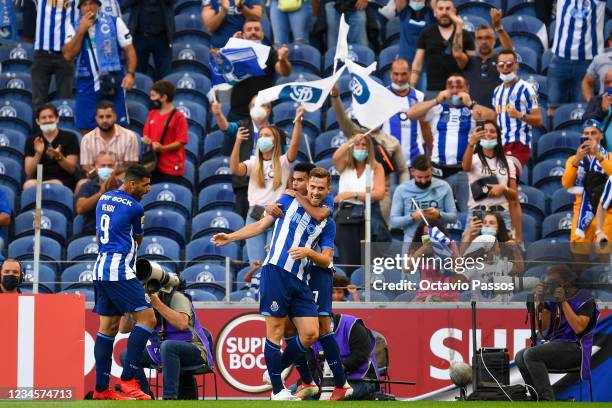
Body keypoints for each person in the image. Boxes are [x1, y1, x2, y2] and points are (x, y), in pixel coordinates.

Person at [212, 168, 353, 401]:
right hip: (276, 271)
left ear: (328, 191)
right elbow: (260, 226)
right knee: (276, 332)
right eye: (313, 187)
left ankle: (278, 370)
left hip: (300, 278)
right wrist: (231, 236)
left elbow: (327, 259)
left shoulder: (327, 221)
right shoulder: (287, 200)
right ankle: (278, 390)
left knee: (311, 333)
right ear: (307, 185)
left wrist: (308, 252)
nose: (316, 192)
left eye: (321, 188)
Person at [265, 166, 350, 400]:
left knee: (321, 328)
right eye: (297, 182)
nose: (298, 185)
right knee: (293, 327)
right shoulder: (292, 200)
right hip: (297, 270)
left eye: (302, 181)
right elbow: (270, 221)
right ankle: (306, 381)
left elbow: (321, 216)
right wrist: (269, 210)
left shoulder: (323, 204)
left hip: (318, 270)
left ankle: (340, 384)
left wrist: (306, 251)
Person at [91, 165, 155, 400]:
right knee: (148, 319)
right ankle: (128, 379)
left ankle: (100, 390)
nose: (148, 189)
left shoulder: (104, 198)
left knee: (107, 328)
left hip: (99, 268)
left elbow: (100, 235)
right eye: (145, 185)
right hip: (119, 269)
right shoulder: (136, 208)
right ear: (131, 184)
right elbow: (137, 238)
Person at [229, 107, 303, 265]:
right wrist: (237, 142)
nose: (263, 138)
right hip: (255, 214)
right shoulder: (253, 163)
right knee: (256, 263)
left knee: (273, 261)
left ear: (275, 140)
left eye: (267, 135)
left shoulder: (283, 162)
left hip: (277, 213)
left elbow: (294, 148)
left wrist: (298, 123)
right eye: (261, 135)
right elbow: (235, 169)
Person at [119, 280, 215, 400]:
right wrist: (129, 306)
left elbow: (182, 324)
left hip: (195, 349)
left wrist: (157, 304)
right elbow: (123, 329)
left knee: (168, 346)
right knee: (127, 354)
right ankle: (145, 397)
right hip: (161, 350)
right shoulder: (142, 303)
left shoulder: (177, 297)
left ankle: (169, 398)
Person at [515, 265, 599, 401]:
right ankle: (536, 398)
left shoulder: (585, 298)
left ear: (566, 283)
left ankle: (547, 399)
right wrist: (540, 302)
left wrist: (563, 301)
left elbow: (579, 328)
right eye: (548, 283)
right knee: (520, 357)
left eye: (554, 283)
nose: (551, 287)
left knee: (531, 354)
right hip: (557, 346)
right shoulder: (551, 298)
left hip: (577, 348)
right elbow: (543, 327)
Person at [330, 84, 410, 221]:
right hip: (354, 196)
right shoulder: (356, 134)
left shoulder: (392, 142)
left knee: (377, 234)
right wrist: (335, 97)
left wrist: (402, 193)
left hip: (381, 195)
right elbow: (342, 119)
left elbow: (402, 170)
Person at [62, 0, 136, 134]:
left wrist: (130, 74)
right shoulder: (74, 27)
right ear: (80, 9)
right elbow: (68, 55)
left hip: (112, 81)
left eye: (92, 3)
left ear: (99, 5)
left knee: (118, 127)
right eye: (84, 5)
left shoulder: (114, 22)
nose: (89, 7)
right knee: (86, 127)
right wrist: (80, 31)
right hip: (87, 83)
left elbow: (129, 50)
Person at [406, 73, 496, 178]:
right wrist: (436, 100)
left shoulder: (474, 109)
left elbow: (493, 116)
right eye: (451, 87)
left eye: (459, 86)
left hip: (464, 170)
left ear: (467, 89)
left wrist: (470, 104)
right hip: (438, 169)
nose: (455, 91)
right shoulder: (437, 109)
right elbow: (411, 114)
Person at [332, 134, 389, 272]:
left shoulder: (376, 167)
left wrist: (352, 195)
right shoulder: (345, 165)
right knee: (348, 260)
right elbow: (336, 157)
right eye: (357, 145)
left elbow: (379, 193)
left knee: (368, 259)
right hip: (346, 215)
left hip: (368, 213)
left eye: (364, 145)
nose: (360, 148)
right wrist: (351, 141)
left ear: (369, 148)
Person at [212, 96, 275, 219]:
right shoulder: (243, 126)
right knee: (244, 222)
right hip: (244, 183)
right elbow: (226, 127)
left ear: (268, 109)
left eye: (260, 105)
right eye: (253, 105)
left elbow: (286, 157)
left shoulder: (276, 132)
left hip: (268, 185)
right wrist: (218, 114)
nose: (256, 108)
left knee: (264, 223)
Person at [462, 120, 522, 242]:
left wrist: (503, 188)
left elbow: (514, 196)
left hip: (501, 214)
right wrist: (470, 144)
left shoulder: (508, 163)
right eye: (485, 131)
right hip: (477, 213)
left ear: (498, 136)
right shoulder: (473, 159)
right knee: (468, 253)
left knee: (506, 255)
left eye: (492, 131)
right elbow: (466, 167)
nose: (488, 134)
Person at [547, 0, 606, 123]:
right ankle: (553, 139)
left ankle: (584, 139)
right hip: (560, 59)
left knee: (583, 109)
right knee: (553, 107)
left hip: (587, 62)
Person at [561, 120, 612, 259]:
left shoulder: (609, 156)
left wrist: (599, 156)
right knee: (579, 255)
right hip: (582, 209)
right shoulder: (573, 159)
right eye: (586, 133)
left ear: (601, 136)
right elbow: (566, 183)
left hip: (607, 209)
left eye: (593, 133)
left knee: (604, 252)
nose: (589, 136)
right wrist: (577, 159)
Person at [410, 0, 476, 99]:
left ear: (454, 11)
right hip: (433, 90)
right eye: (441, 9)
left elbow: (473, 66)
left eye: (448, 9)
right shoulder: (426, 34)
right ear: (435, 12)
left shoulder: (466, 34)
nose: (444, 12)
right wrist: (412, 86)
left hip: (459, 90)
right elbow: (417, 64)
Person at [492, 49, 543, 176]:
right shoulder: (497, 91)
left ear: (517, 65)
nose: (505, 68)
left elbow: (539, 120)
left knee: (508, 177)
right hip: (500, 145)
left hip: (518, 144)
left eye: (509, 64)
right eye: (501, 64)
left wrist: (520, 115)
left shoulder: (527, 89)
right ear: (497, 67)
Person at [229, 19, 291, 121]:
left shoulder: (270, 53)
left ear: (262, 34)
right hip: (238, 114)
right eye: (249, 30)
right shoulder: (235, 53)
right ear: (243, 35)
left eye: (257, 29)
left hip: (263, 112)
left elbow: (285, 72)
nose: (253, 32)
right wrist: (231, 46)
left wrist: (282, 59)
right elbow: (220, 69)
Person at [310, 313, 379, 400]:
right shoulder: (310, 333)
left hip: (360, 379)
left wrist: (337, 368)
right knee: (295, 392)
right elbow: (311, 365)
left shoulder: (352, 325)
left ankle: (367, 395)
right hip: (327, 380)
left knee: (337, 397)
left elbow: (361, 355)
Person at [390, 154, 457, 243]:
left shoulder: (443, 187)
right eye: (419, 177)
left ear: (432, 170)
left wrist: (439, 214)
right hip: (412, 241)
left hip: (438, 240)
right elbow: (394, 222)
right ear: (412, 171)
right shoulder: (402, 190)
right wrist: (412, 217)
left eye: (427, 177)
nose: (423, 181)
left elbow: (454, 217)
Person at [78, 100, 139, 193]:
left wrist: (113, 176)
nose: (105, 120)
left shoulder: (130, 136)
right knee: (81, 184)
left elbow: (131, 166)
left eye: (108, 116)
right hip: (96, 180)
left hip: (121, 178)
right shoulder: (87, 139)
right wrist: (102, 177)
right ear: (96, 118)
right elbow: (87, 169)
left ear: (115, 117)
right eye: (101, 117)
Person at [381, 59, 432, 167]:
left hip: (415, 162)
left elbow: (426, 128)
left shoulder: (419, 97)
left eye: (403, 74)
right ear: (391, 74)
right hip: (389, 163)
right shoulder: (382, 95)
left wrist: (432, 153)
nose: (399, 78)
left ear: (409, 74)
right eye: (396, 74)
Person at [461, 9, 513, 110]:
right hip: (471, 113)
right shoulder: (467, 61)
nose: (484, 41)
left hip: (497, 112)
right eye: (480, 38)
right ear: (475, 41)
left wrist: (498, 27)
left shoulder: (500, 60)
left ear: (494, 40)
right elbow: (456, 53)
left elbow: (509, 51)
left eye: (488, 38)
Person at [31, 0, 76, 114]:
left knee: (65, 101)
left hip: (65, 54)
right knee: (38, 102)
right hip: (42, 53)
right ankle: (38, 132)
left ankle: (65, 130)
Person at [460, 226, 524, 302]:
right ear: (490, 250)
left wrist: (515, 250)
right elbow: (459, 281)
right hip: (480, 308)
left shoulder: (501, 263)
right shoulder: (474, 266)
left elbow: (519, 268)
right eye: (497, 247)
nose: (499, 250)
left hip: (501, 307)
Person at [142, 80, 189, 185]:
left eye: (153, 96)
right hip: (153, 165)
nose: (151, 99)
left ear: (164, 97)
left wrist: (162, 148)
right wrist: (146, 140)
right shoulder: (152, 114)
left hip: (171, 166)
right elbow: (146, 135)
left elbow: (181, 141)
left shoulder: (179, 117)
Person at [24, 103, 80, 191]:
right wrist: (38, 154)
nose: (48, 120)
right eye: (44, 117)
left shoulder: (70, 137)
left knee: (56, 184)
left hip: (62, 179)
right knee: (28, 185)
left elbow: (72, 169)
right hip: (38, 179)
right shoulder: (32, 140)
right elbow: (29, 172)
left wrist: (58, 156)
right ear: (37, 121)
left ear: (57, 119)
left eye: (51, 116)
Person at [409, 219, 462, 302]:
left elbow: (458, 268)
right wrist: (421, 251)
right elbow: (408, 269)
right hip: (425, 296)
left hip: (448, 297)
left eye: (432, 235)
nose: (430, 238)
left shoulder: (450, 244)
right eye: (426, 235)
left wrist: (445, 249)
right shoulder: (418, 248)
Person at [122, 0, 176, 80]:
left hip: (163, 37)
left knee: (165, 76)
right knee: (137, 75)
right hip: (139, 36)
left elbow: (172, 1)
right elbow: (124, 4)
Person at [76, 152, 123, 235]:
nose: (106, 168)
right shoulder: (87, 186)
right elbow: (80, 208)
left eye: (110, 166)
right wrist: (101, 193)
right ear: (95, 167)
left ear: (115, 167)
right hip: (91, 231)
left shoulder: (123, 187)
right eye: (103, 165)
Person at [395, 0, 435, 67]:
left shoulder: (431, 14)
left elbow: (437, 5)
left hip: (426, 63)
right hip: (405, 63)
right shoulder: (405, 12)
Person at [581, 26, 612, 102]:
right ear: (610, 43)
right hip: (605, 110)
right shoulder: (600, 59)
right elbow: (586, 83)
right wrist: (592, 104)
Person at [583, 70, 612, 148]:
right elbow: (586, 121)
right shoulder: (596, 100)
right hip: (602, 154)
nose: (610, 85)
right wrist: (602, 111)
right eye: (607, 82)